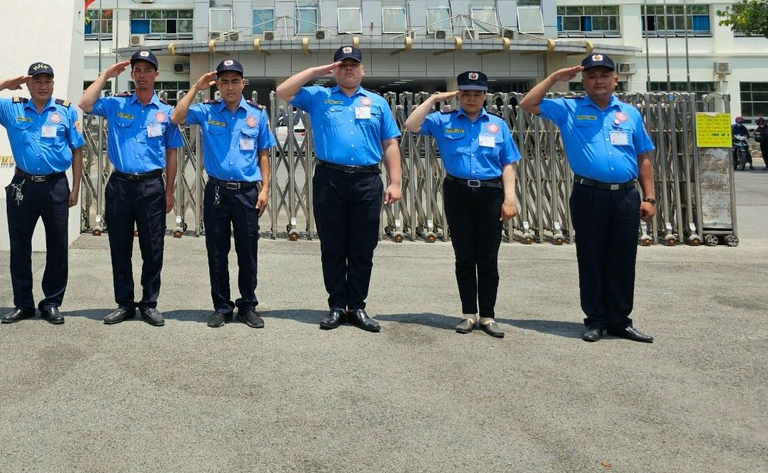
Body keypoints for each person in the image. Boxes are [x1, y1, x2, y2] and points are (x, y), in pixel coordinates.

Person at [519, 53, 656, 344]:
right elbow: (527, 103)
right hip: (588, 193)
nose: (598, 80)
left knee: (623, 259)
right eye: (592, 75)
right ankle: (595, 320)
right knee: (591, 258)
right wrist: (555, 78)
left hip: (626, 196)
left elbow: (643, 155)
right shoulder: (569, 108)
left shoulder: (629, 113)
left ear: (615, 80)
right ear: (583, 80)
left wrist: (650, 198)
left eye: (604, 75)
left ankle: (620, 321)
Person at [277, 46, 402, 332]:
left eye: (353, 65)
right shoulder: (320, 97)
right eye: (342, 65)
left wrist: (395, 181)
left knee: (362, 247)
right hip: (329, 180)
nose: (348, 69)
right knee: (332, 245)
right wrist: (316, 72)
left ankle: (356, 306)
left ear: (362, 70)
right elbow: (283, 91)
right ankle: (336, 305)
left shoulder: (377, 102)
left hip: (367, 181)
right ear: (335, 69)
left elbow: (390, 143)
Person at [404, 71, 521, 338]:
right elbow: (412, 124)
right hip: (457, 192)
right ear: (458, 95)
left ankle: (488, 315)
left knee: (489, 257)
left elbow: (508, 164)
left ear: (484, 96)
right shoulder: (443, 120)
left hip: (491, 192)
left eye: (477, 93)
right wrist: (434, 98)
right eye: (466, 93)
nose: (471, 98)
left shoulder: (497, 124)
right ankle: (469, 314)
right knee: (464, 255)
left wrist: (510, 198)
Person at [0, 62, 83, 325]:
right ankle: (23, 304)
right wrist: (5, 83)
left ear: (53, 84)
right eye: (37, 82)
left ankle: (52, 302)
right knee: (20, 246)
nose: (43, 86)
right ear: (29, 85)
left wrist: (75, 187)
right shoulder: (13, 108)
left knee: (57, 246)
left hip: (55, 185)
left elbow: (77, 149)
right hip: (23, 186)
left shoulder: (65, 111)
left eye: (47, 81)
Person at [79, 49, 184, 327]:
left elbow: (172, 153)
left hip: (151, 185)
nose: (142, 76)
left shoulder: (166, 113)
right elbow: (86, 103)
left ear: (156, 75)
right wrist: (105, 75)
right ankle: (124, 303)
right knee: (119, 246)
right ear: (132, 75)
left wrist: (170, 190)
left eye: (148, 70)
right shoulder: (117, 105)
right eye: (137, 70)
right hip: (120, 185)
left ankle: (149, 303)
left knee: (153, 248)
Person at [171, 59, 275, 329]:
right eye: (224, 81)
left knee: (247, 252)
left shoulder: (257, 114)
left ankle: (248, 305)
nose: (230, 87)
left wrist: (264, 188)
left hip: (247, 193)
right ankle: (221, 306)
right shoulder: (207, 111)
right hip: (217, 191)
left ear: (243, 83)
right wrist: (196, 87)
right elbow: (176, 117)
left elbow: (264, 153)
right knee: (217, 251)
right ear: (218, 85)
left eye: (235, 81)